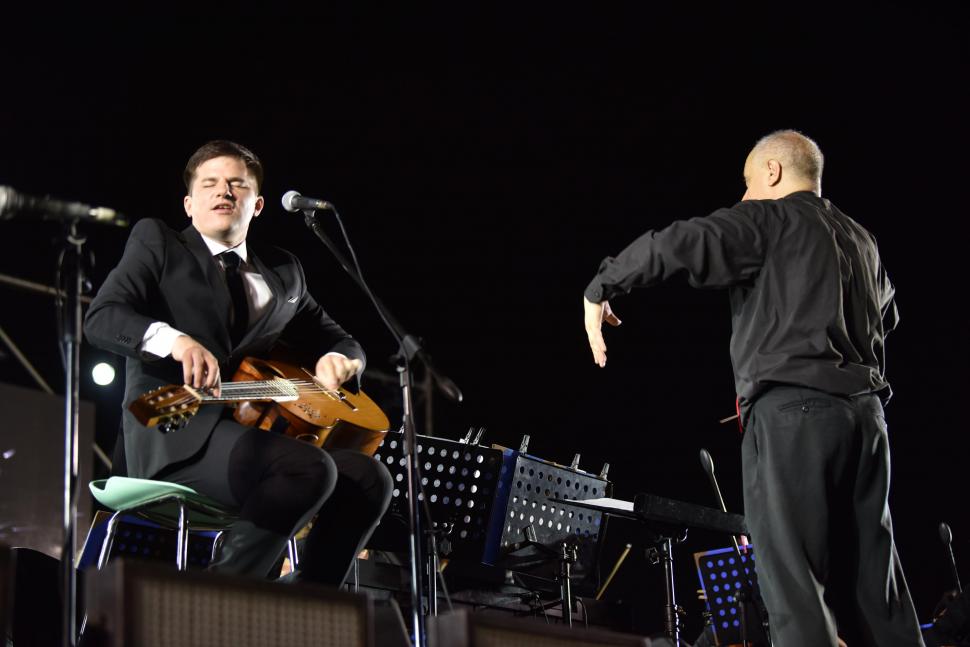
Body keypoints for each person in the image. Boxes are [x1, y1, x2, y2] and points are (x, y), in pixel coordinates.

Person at [583, 130, 925, 646]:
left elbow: (680, 242)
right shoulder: (862, 238)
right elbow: (888, 316)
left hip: (794, 415)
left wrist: (602, 285)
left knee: (793, 588)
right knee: (878, 590)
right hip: (867, 421)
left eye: (746, 183)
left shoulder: (768, 219)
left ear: (772, 172)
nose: (742, 197)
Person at [84, 140, 392, 585]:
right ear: (189, 204)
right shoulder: (158, 243)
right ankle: (226, 601)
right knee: (309, 465)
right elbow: (104, 316)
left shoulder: (284, 273)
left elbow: (342, 340)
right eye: (209, 184)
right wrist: (176, 342)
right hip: (173, 434)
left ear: (258, 203)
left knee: (370, 479)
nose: (223, 192)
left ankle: (305, 604)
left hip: (253, 441)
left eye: (236, 185)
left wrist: (341, 360)